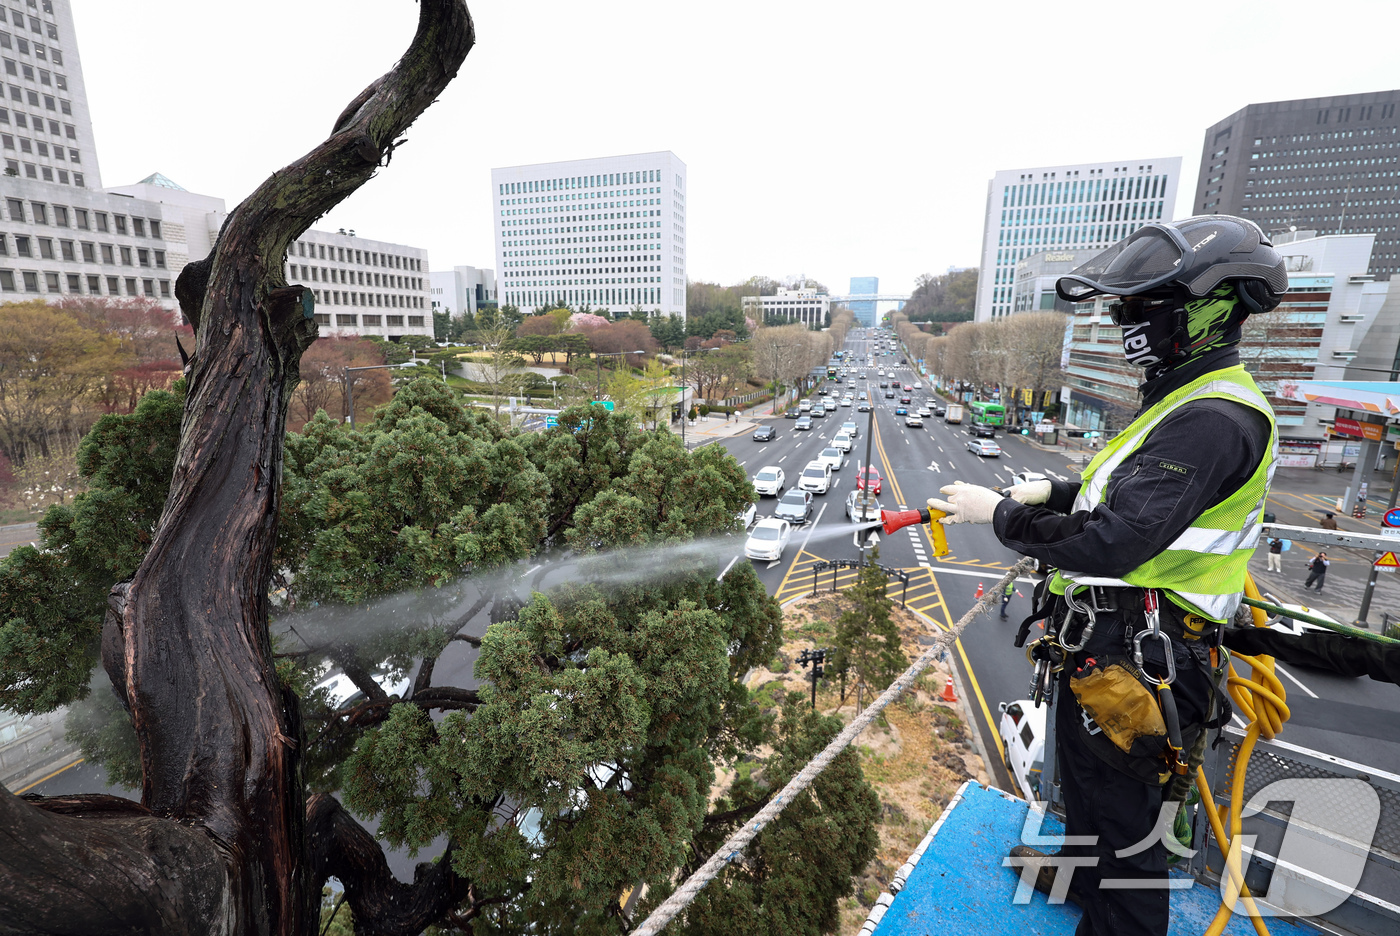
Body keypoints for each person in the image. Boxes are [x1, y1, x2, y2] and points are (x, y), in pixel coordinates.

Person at [929, 215, 1285, 936]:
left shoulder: (1211, 418)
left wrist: (1002, 515)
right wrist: (1055, 494)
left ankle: (1115, 917)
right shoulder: (1181, 401)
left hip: (1146, 661)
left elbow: (1119, 540)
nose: (1125, 320)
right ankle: (1086, 885)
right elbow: (1132, 504)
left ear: (1209, 307)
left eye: (1139, 305)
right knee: (1092, 797)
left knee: (1125, 838)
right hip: (1114, 654)